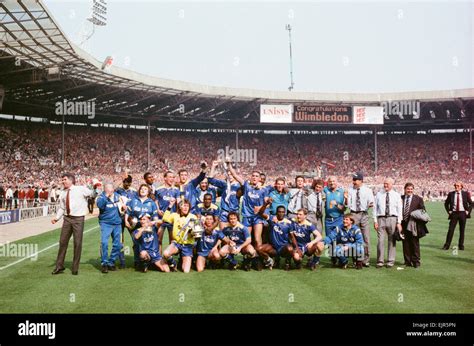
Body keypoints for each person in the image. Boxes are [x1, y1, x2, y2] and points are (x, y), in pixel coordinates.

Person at [51, 173, 93, 275]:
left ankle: (75, 268)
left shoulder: (80, 189)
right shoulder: (63, 193)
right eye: (62, 180)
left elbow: (92, 193)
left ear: (71, 180)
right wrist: (57, 218)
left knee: (77, 243)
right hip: (67, 219)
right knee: (62, 242)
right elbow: (62, 207)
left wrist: (96, 187)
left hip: (78, 219)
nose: (62, 181)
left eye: (64, 179)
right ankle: (59, 266)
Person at [125, 184, 159, 269]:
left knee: (147, 243)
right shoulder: (133, 200)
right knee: (136, 243)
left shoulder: (151, 203)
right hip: (135, 225)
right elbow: (128, 212)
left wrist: (153, 223)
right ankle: (137, 261)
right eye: (141, 189)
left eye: (145, 189)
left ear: (148, 192)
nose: (143, 190)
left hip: (147, 226)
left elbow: (155, 216)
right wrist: (126, 220)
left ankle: (149, 261)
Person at [162, 198, 198, 273]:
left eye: (187, 206)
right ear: (179, 207)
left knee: (186, 271)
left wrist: (192, 232)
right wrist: (170, 205)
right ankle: (173, 263)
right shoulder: (175, 215)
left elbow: (197, 235)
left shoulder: (193, 217)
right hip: (176, 243)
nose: (185, 208)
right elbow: (165, 218)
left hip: (187, 245)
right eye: (183, 206)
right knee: (166, 253)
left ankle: (181, 260)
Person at [96, 183, 126, 273]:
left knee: (118, 244)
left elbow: (123, 209)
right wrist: (106, 196)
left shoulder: (118, 197)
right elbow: (100, 206)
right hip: (105, 223)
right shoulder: (101, 197)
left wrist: (124, 208)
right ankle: (104, 263)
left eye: (111, 189)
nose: (109, 191)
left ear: (113, 189)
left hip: (117, 223)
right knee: (104, 243)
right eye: (107, 189)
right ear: (104, 190)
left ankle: (111, 262)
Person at [346, 172, 374, 267]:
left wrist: (369, 204)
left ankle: (365, 260)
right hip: (353, 214)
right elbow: (347, 204)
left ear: (361, 180)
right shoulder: (350, 190)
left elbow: (371, 202)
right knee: (354, 237)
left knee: (365, 238)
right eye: (353, 179)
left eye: (355, 180)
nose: (353, 181)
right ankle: (356, 259)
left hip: (364, 214)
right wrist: (346, 199)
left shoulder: (367, 190)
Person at [373, 178, 403, 268]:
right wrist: (375, 220)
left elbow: (399, 209)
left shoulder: (397, 195)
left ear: (392, 184)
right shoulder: (378, 194)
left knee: (392, 241)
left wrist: (399, 222)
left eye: (387, 184)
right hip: (381, 218)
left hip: (392, 218)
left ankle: (390, 261)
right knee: (380, 241)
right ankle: (380, 261)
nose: (385, 185)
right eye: (384, 183)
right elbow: (375, 209)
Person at [257, 200, 294, 271]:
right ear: (276, 212)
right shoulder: (272, 219)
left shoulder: (288, 223)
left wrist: (296, 248)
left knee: (290, 248)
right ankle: (269, 260)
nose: (281, 213)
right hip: (273, 248)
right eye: (279, 212)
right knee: (259, 249)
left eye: (283, 212)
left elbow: (292, 237)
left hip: (283, 248)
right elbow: (260, 213)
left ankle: (287, 263)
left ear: (285, 213)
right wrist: (266, 204)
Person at [401, 182, 428, 268]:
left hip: (413, 224)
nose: (409, 190)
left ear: (413, 189)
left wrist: (416, 216)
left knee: (414, 243)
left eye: (411, 189)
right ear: (405, 189)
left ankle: (416, 261)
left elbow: (423, 211)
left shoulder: (418, 199)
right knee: (405, 243)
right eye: (408, 189)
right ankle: (407, 261)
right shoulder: (400, 198)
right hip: (403, 224)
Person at [208, 160, 242, 229]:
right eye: (228, 175)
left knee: (236, 234)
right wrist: (213, 166)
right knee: (223, 234)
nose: (230, 176)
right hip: (224, 212)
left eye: (231, 175)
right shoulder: (224, 184)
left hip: (234, 212)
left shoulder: (239, 186)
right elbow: (210, 180)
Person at [443, 181, 473, 250]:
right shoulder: (451, 194)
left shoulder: (465, 194)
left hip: (463, 213)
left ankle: (461, 245)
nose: (456, 187)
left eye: (458, 186)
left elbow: (471, 203)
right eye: (455, 186)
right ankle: (447, 245)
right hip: (454, 214)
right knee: (450, 230)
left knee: (462, 230)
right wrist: (449, 211)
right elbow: (446, 203)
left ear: (461, 187)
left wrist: (468, 211)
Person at [155, 171, 180, 251]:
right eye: (170, 177)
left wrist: (177, 214)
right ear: (165, 178)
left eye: (173, 177)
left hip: (171, 219)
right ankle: (158, 260)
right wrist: (158, 210)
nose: (172, 179)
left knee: (172, 241)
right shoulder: (158, 189)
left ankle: (169, 259)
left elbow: (178, 203)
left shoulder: (176, 190)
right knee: (158, 240)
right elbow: (155, 202)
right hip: (161, 218)